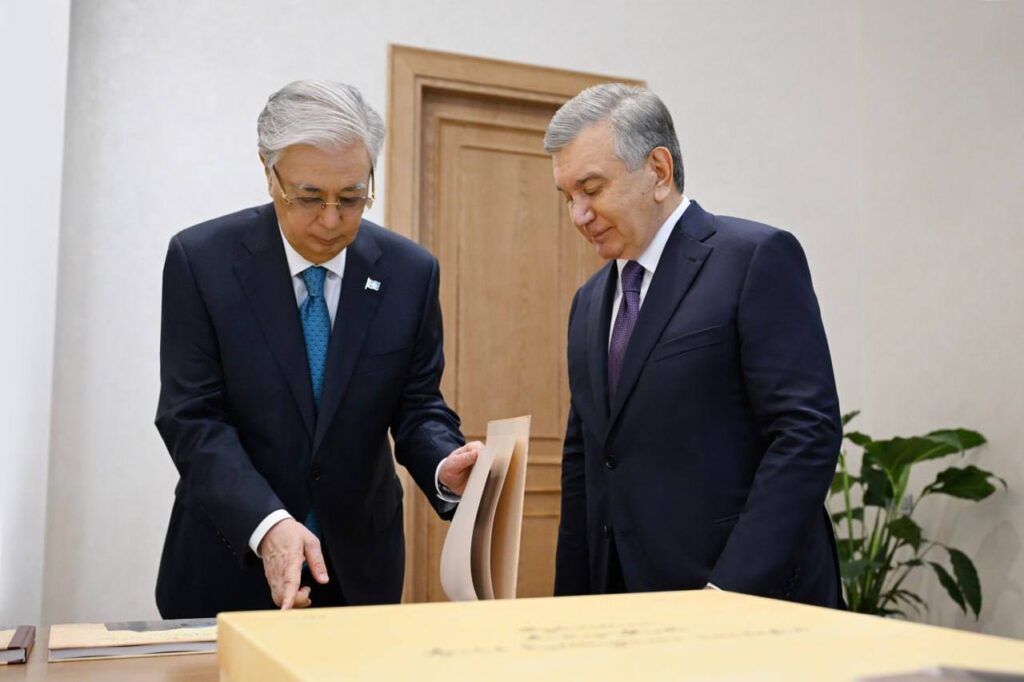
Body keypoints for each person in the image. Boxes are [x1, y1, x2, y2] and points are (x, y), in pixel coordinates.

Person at [155, 80, 479, 617]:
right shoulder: (202, 261)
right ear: (269, 172)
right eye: (308, 197)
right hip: (228, 560)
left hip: (358, 570)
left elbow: (418, 405)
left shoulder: (409, 272)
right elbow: (192, 418)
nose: (332, 220)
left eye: (351, 197)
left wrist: (444, 464)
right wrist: (267, 524)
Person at [545, 83, 844, 607]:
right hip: (624, 603)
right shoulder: (588, 302)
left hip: (743, 597)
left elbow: (805, 432)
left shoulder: (754, 258)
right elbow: (586, 460)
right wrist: (572, 605)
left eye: (592, 189)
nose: (579, 215)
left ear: (659, 171)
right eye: (569, 197)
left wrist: (729, 589)